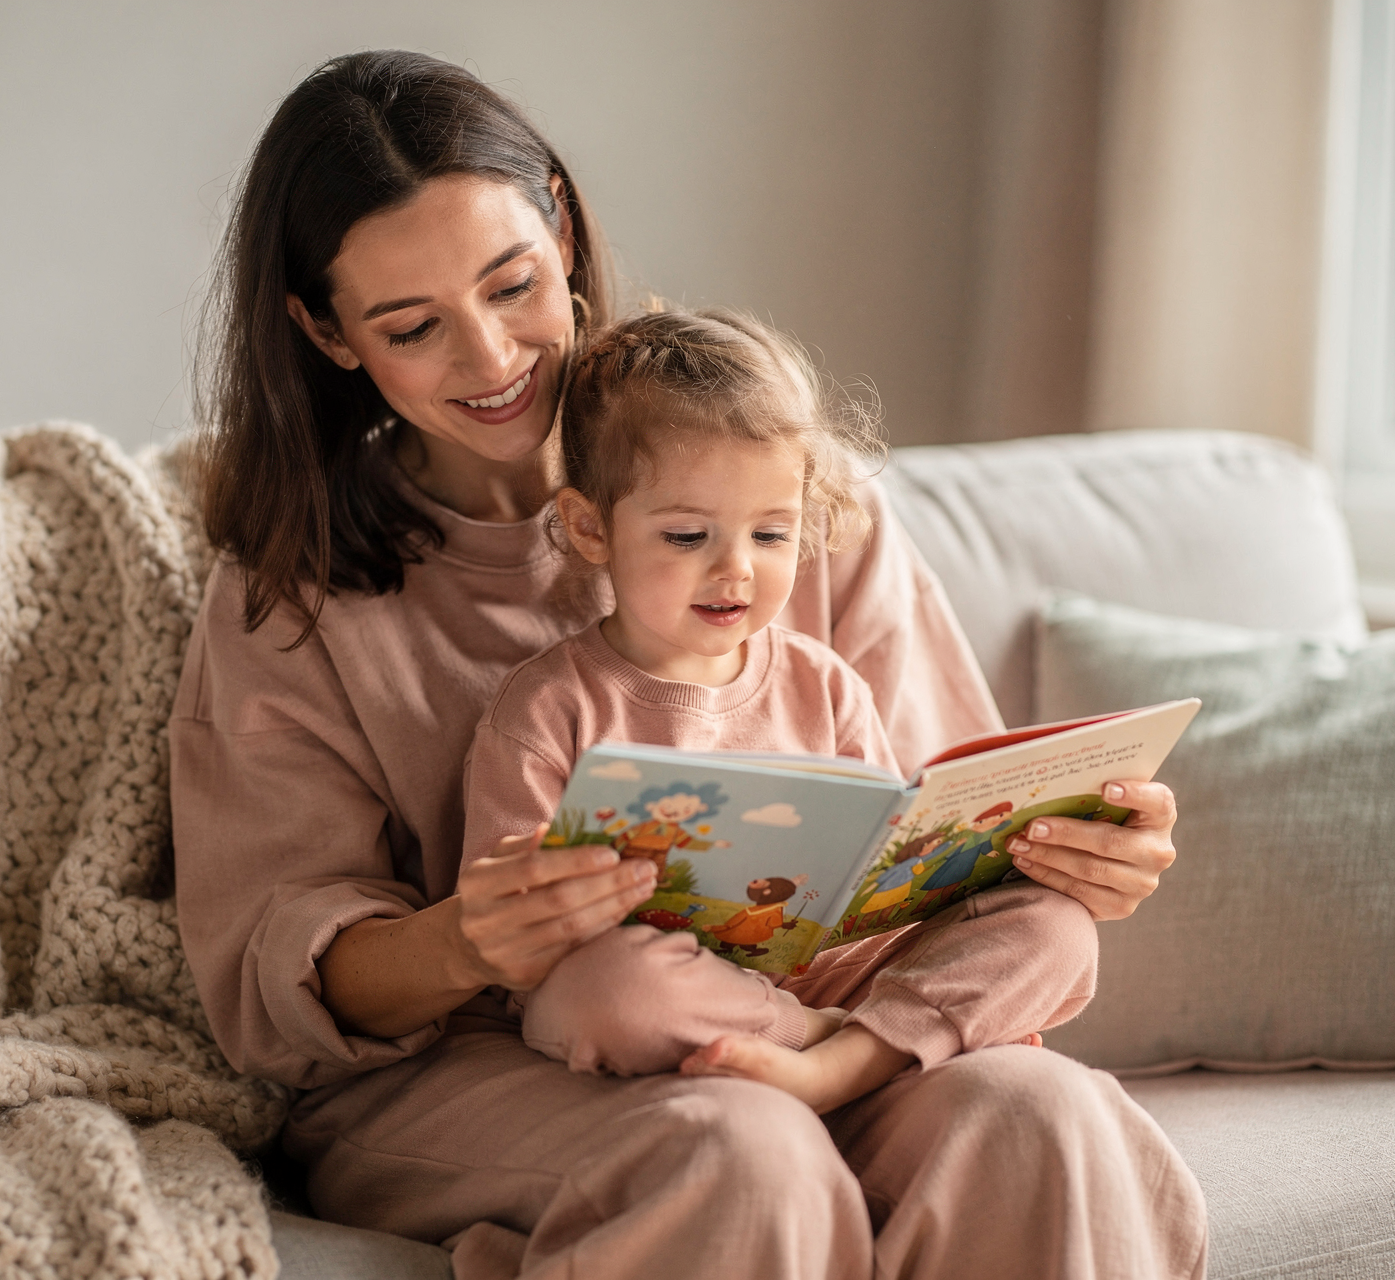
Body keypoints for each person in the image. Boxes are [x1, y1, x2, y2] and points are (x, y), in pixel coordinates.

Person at [171, 49, 1205, 1280]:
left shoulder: (788, 493)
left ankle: (820, 1064)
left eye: (512, 284)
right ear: (327, 332)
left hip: (845, 1018)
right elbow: (272, 981)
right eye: (413, 327)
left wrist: (1074, 842)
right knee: (744, 1147)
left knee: (1040, 1115)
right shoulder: (293, 593)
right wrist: (468, 942)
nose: (492, 357)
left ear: (561, 229)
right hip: (489, 1059)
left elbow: (941, 821)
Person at [460, 307, 1089, 1103]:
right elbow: (512, 938)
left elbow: (883, 877)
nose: (737, 570)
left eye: (770, 535)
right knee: (607, 988)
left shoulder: (824, 683)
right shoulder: (549, 708)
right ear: (590, 528)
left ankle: (841, 1064)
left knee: (1052, 922)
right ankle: (850, 1047)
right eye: (687, 537)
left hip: (832, 972)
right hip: (665, 987)